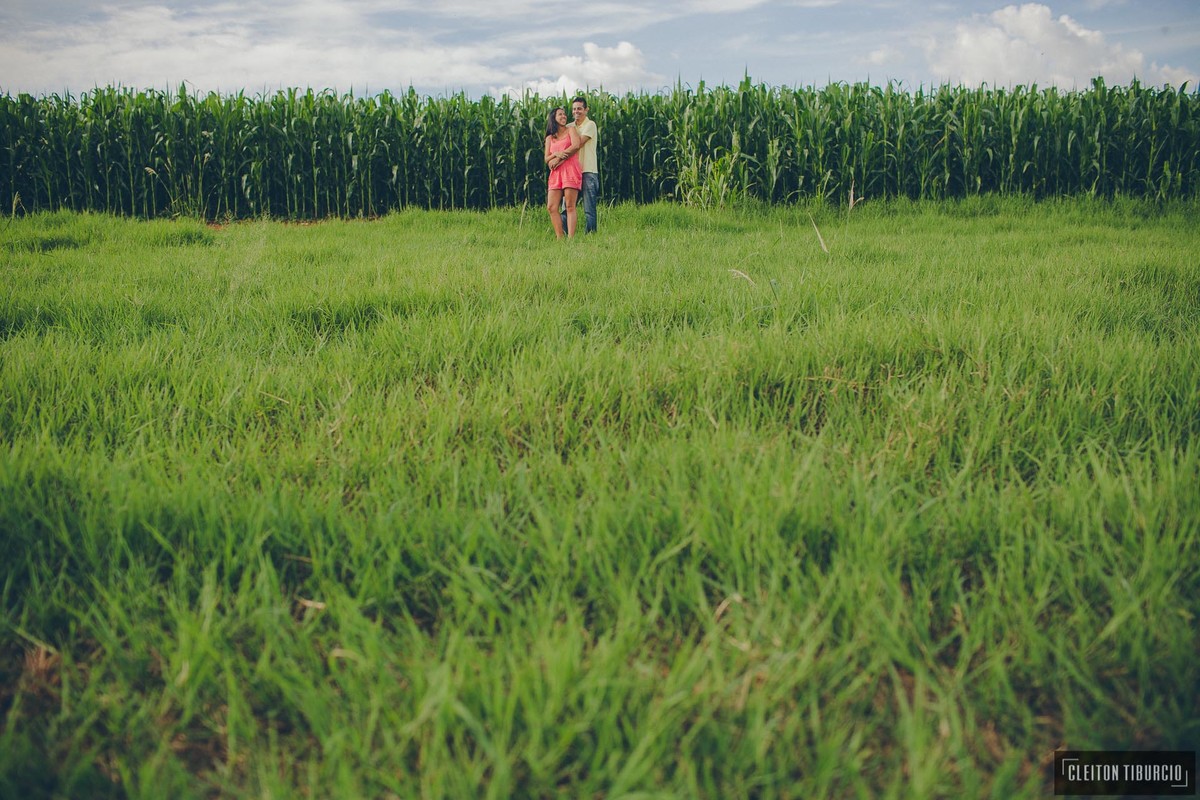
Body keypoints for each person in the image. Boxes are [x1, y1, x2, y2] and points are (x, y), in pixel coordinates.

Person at [553, 96, 599, 234]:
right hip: (571, 172)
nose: (576, 111)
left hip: (588, 171)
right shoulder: (569, 127)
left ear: (586, 110)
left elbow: (577, 144)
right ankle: (564, 235)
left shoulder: (590, 125)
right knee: (567, 206)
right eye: (574, 109)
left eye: (579, 108)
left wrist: (558, 158)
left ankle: (591, 235)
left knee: (589, 208)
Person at [544, 106, 582, 238]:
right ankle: (560, 238)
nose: (564, 116)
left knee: (570, 206)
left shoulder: (571, 130)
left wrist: (559, 157)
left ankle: (571, 239)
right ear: (553, 118)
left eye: (564, 114)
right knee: (551, 207)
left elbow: (576, 146)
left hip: (571, 170)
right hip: (556, 174)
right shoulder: (550, 138)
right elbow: (547, 159)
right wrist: (555, 154)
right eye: (560, 114)